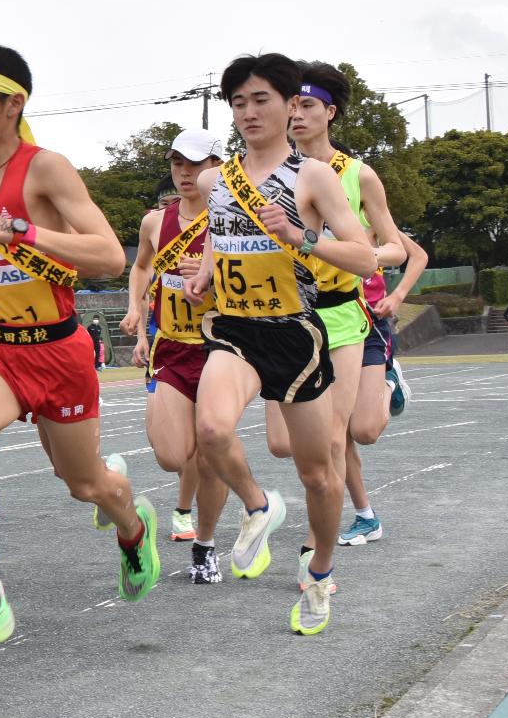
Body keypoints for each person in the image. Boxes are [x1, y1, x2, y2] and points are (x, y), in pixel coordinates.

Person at [0, 46, 158, 670]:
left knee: (83, 483)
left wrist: (19, 230)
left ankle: (131, 523)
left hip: (56, 351)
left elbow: (106, 255)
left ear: (13, 105)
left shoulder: (46, 169)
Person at [180, 54, 376, 637]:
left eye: (261, 99)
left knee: (319, 474)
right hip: (235, 329)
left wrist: (298, 235)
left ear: (291, 106)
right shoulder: (217, 180)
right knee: (210, 430)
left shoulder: (312, 176)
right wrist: (205, 275)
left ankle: (318, 572)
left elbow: (364, 257)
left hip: (295, 332)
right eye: (238, 102)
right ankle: (258, 505)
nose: (248, 112)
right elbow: (221, 238)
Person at [260, 62, 411, 564]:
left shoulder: (358, 174)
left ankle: (313, 542)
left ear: (330, 112)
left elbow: (393, 246)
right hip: (285, 317)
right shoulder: (267, 174)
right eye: (292, 105)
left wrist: (355, 250)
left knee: (341, 434)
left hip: (342, 314)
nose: (297, 114)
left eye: (308, 106)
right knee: (284, 444)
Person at [121, 128, 230, 580]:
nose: (185, 173)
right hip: (170, 346)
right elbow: (142, 265)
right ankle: (156, 513)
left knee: (209, 452)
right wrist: (135, 305)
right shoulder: (155, 222)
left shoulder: (232, 219)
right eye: (178, 164)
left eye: (196, 165)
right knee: (172, 456)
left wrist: (211, 275)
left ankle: (204, 546)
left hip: (221, 347)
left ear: (217, 169)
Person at [340, 227, 428, 543]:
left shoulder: (368, 212)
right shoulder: (305, 201)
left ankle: (390, 382)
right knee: (336, 432)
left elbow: (417, 255)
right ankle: (365, 516)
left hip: (369, 327)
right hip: (326, 328)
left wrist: (397, 295)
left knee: (364, 431)